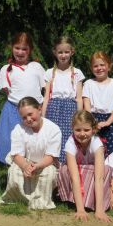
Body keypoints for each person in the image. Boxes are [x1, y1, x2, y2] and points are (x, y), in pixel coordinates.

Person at [0, 97, 61, 209]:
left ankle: (41, 201)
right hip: (25, 161)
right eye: (24, 117)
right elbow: (17, 155)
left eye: (30, 114)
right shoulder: (18, 129)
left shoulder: (53, 129)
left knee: (49, 173)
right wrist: (25, 166)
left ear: (39, 109)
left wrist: (37, 165)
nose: (28, 119)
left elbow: (51, 157)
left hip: (45, 162)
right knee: (14, 171)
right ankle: (19, 199)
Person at [0, 32, 46, 164]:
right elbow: (7, 91)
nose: (20, 52)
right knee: (13, 142)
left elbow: (44, 88)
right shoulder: (6, 69)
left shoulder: (37, 67)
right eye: (17, 48)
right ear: (11, 48)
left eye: (24, 49)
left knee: (35, 142)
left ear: (30, 50)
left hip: (36, 111)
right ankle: (13, 173)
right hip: (14, 110)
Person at [58, 110, 112, 222]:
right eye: (78, 130)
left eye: (86, 130)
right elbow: (74, 177)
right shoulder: (70, 143)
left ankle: (95, 204)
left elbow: (99, 178)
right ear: (72, 128)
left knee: (106, 170)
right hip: (78, 176)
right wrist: (80, 210)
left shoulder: (97, 143)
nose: (82, 134)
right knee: (64, 169)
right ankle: (78, 203)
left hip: (93, 177)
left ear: (93, 130)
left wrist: (99, 210)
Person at [42, 36, 84, 164]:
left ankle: (67, 168)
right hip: (53, 109)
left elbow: (79, 97)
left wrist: (80, 117)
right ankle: (53, 168)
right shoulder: (50, 72)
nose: (63, 55)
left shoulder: (77, 73)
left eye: (66, 52)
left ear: (72, 52)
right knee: (53, 138)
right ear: (55, 52)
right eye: (60, 52)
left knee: (68, 138)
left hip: (70, 110)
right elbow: (46, 97)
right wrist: (42, 117)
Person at [82, 51, 113, 155]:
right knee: (93, 151)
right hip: (93, 120)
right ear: (91, 68)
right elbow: (87, 105)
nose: (99, 68)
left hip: (112, 121)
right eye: (95, 66)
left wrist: (108, 122)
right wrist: (93, 122)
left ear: (109, 66)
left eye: (102, 65)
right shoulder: (88, 84)